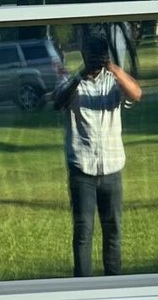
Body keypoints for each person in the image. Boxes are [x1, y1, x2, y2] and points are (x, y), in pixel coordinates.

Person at [52, 24, 142, 277]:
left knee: (113, 231)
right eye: (91, 54)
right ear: (83, 54)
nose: (95, 60)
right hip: (82, 169)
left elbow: (136, 94)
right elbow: (58, 102)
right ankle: (83, 287)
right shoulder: (73, 81)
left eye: (99, 54)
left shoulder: (113, 82)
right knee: (83, 232)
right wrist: (82, 72)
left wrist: (111, 66)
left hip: (112, 168)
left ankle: (113, 285)